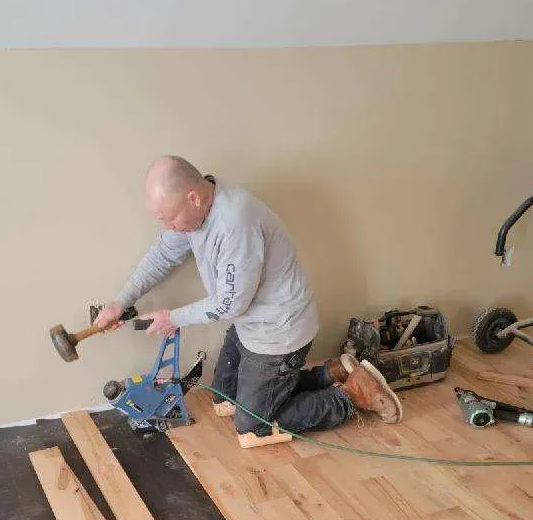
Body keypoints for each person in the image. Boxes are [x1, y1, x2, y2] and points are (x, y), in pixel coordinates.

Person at [96, 156, 401, 445]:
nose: (169, 227)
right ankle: (332, 372)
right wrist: (121, 302)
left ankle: (353, 395)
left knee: (253, 425)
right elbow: (163, 254)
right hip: (251, 326)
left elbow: (230, 304)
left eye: (170, 218)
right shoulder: (196, 212)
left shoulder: (235, 223)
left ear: (193, 197)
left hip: (279, 332)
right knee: (224, 398)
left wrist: (172, 319)